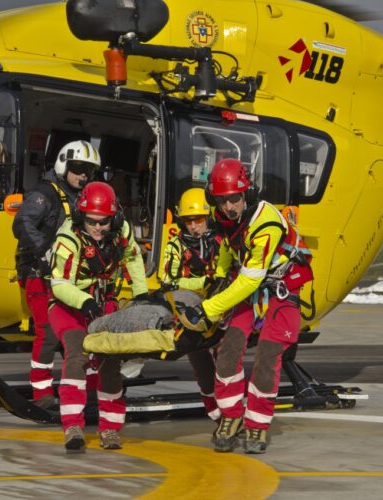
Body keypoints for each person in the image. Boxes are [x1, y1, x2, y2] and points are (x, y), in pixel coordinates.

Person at [178, 158, 313, 454]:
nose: (228, 207)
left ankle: (257, 423)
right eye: (222, 200)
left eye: (234, 199)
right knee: (227, 351)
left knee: (267, 355)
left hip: (281, 290)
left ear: (247, 193)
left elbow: (251, 280)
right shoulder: (224, 216)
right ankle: (231, 416)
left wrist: (209, 308)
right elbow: (228, 246)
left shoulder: (265, 223)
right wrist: (219, 276)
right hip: (250, 290)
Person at [48, 181, 148, 454]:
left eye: (103, 222)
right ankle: (72, 426)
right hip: (69, 305)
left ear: (113, 218)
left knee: (109, 361)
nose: (98, 228)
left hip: (105, 303)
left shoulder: (121, 231)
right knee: (77, 353)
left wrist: (141, 296)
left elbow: (133, 258)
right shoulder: (68, 239)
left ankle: (110, 428)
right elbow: (59, 285)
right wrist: (85, 301)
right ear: (81, 216)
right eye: (91, 221)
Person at [12, 140, 101, 409]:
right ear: (64, 165)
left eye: (89, 170)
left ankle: (87, 388)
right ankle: (41, 393)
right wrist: (45, 251)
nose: (83, 174)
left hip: (71, 278)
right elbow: (22, 222)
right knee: (49, 332)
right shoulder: (45, 194)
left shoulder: (82, 198)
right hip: (40, 274)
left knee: (82, 332)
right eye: (78, 168)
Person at [161, 187, 227, 423]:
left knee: (225, 353)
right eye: (188, 221)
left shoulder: (222, 241)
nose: (193, 226)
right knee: (200, 357)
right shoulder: (175, 245)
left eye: (198, 219)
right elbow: (169, 280)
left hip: (219, 303)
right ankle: (210, 400)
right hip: (191, 308)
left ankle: (230, 401)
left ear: (208, 217)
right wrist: (202, 281)